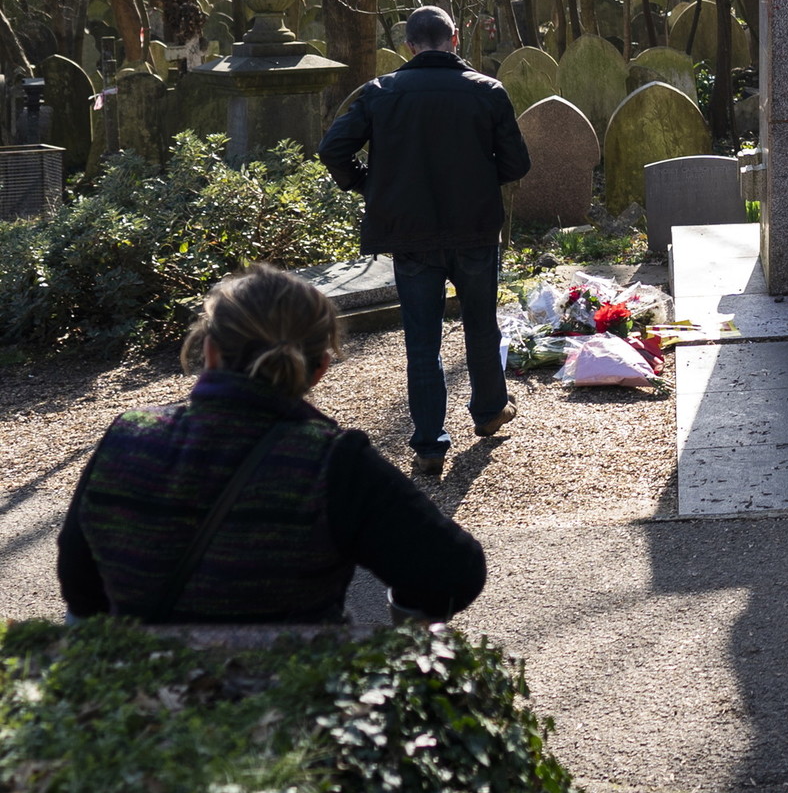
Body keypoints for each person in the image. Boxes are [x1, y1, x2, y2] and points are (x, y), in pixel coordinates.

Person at [57, 265, 486, 624]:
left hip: (142, 711)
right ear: (320, 368)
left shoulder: (129, 436)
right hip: (293, 708)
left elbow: (79, 584)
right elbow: (454, 573)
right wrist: (406, 614)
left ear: (208, 352)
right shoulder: (333, 462)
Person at [317, 6, 530, 476]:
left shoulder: (380, 92)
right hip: (473, 228)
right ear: (454, 38)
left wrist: (368, 183)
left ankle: (430, 444)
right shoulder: (487, 91)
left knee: (421, 338)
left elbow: (333, 148)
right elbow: (516, 165)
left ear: (409, 44)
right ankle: (490, 410)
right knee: (480, 323)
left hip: (411, 235)